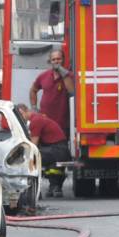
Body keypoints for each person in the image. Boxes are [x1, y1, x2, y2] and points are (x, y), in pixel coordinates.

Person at [29, 51, 74, 194]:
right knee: (47, 156)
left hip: (62, 124)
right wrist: (34, 107)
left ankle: (57, 186)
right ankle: (51, 184)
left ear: (63, 60)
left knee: (60, 156)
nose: (56, 61)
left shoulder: (68, 76)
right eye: (53, 59)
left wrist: (63, 73)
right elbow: (33, 89)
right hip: (45, 124)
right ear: (50, 61)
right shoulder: (43, 76)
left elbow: (72, 90)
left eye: (59, 59)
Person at [16, 102, 70, 197]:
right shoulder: (38, 118)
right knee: (39, 158)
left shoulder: (35, 121)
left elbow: (33, 145)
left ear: (25, 111)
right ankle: (54, 186)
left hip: (57, 150)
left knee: (30, 160)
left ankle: (34, 189)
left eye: (20, 114)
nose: (19, 118)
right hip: (60, 150)